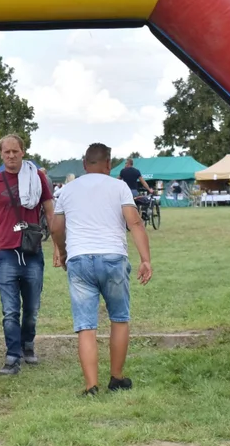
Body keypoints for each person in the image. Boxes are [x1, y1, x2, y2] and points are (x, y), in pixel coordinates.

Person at [50, 144, 153, 396]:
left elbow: (55, 227)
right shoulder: (118, 187)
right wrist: (145, 259)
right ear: (108, 164)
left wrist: (62, 252)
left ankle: (90, 385)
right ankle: (116, 377)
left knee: (86, 325)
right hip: (112, 257)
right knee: (119, 318)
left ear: (84, 164)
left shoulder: (67, 190)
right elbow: (135, 222)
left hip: (79, 259)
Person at [0, 134, 55, 376]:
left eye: (15, 151)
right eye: (6, 152)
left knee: (32, 308)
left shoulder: (37, 177)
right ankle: (12, 356)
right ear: (1, 155)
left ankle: (28, 343)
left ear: (23, 151)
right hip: (6, 252)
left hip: (32, 251)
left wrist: (59, 248)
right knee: (10, 310)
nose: (11, 155)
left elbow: (51, 213)